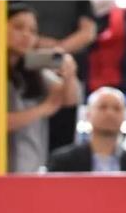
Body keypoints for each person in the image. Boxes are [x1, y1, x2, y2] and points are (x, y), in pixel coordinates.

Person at [6, 2, 81, 174]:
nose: (26, 35)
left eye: (33, 31)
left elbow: (69, 100)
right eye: (18, 27)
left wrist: (69, 74)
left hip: (31, 167)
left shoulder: (34, 72)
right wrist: (43, 109)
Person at [24, 0, 96, 153]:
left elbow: (88, 32)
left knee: (64, 133)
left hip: (67, 71)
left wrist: (57, 52)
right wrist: (34, 41)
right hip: (26, 69)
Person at [46, 87, 126, 172]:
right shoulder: (63, 162)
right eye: (103, 107)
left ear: (125, 116)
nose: (110, 113)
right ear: (88, 115)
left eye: (117, 108)